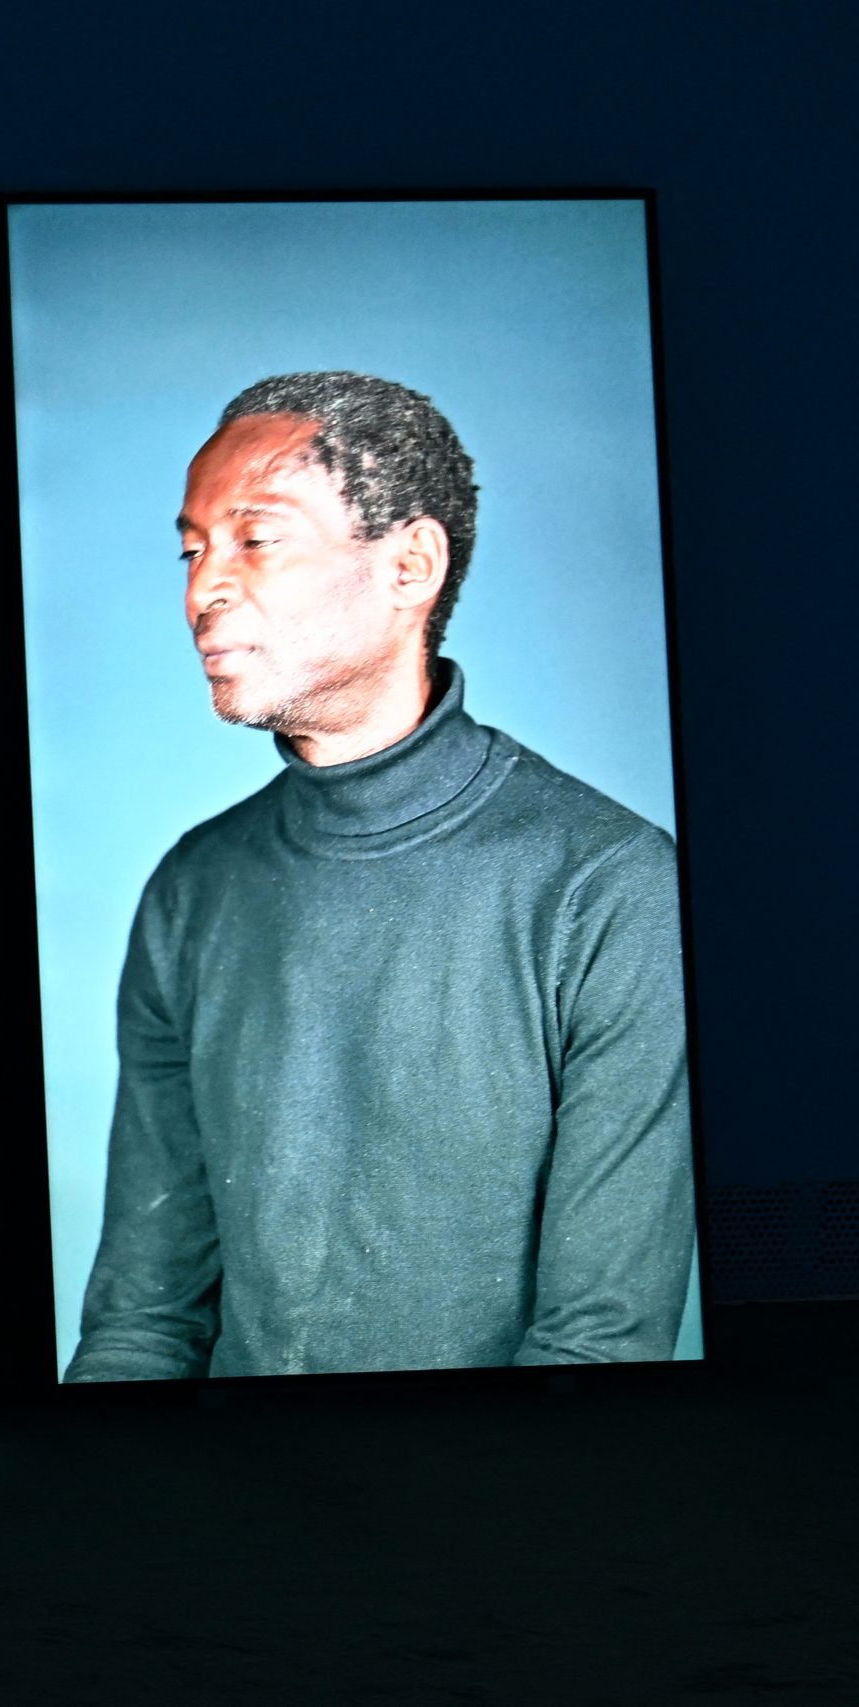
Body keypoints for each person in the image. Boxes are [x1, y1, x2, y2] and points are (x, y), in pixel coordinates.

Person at [65, 371, 695, 1382]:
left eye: (256, 538)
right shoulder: (192, 888)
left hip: (498, 1522)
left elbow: (597, 1350)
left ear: (410, 564)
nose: (201, 590)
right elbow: (141, 1319)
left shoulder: (609, 886)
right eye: (191, 549)